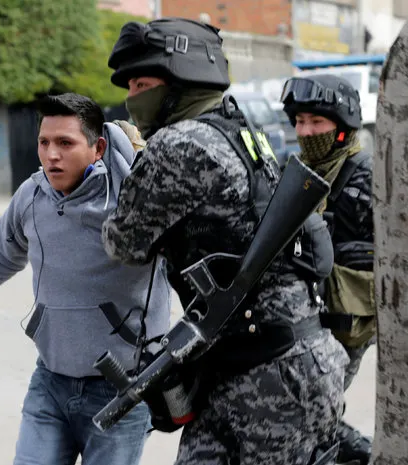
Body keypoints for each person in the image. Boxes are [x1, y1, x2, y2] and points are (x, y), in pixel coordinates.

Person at [101, 17, 349, 465]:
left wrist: (129, 166)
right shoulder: (240, 131)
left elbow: (123, 244)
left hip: (268, 374)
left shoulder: (179, 143)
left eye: (142, 82)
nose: (132, 96)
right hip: (266, 362)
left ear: (181, 79)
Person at [0, 93, 172, 465]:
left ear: (97, 148)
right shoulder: (32, 195)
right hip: (50, 382)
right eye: (44, 143)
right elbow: (1, 254)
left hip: (122, 389)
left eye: (65, 143)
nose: (51, 155)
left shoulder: (137, 202)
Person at [281, 74, 376, 465]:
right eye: (300, 122)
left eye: (317, 123)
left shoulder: (366, 176)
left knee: (313, 413)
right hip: (299, 318)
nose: (306, 131)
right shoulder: (297, 172)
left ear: (343, 127)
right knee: (307, 413)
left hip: (345, 321)